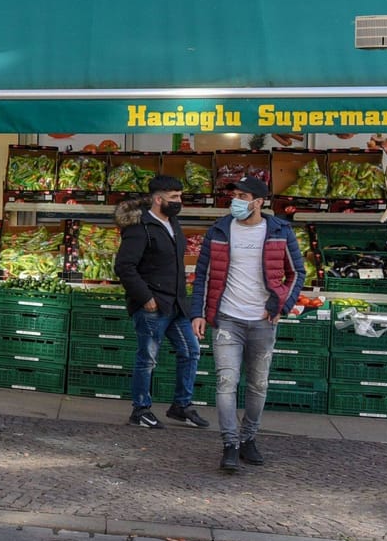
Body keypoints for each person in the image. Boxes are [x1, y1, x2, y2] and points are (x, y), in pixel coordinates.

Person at [189, 176, 306, 473]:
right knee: (226, 382)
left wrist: (282, 304)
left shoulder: (280, 230)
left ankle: (249, 437)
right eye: (234, 195)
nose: (236, 201)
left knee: (258, 384)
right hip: (227, 317)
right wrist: (198, 313)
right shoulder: (219, 230)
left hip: (263, 320)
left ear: (258, 201)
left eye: (242, 195)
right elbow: (202, 274)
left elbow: (297, 273)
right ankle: (230, 443)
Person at [113, 174, 207, 430]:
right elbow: (124, 266)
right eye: (174, 197)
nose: (179, 201)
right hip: (153, 306)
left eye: (180, 196)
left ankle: (181, 405)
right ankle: (140, 409)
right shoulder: (140, 227)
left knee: (191, 351)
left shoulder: (173, 223)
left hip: (176, 304)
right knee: (148, 359)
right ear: (158, 199)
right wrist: (145, 298)